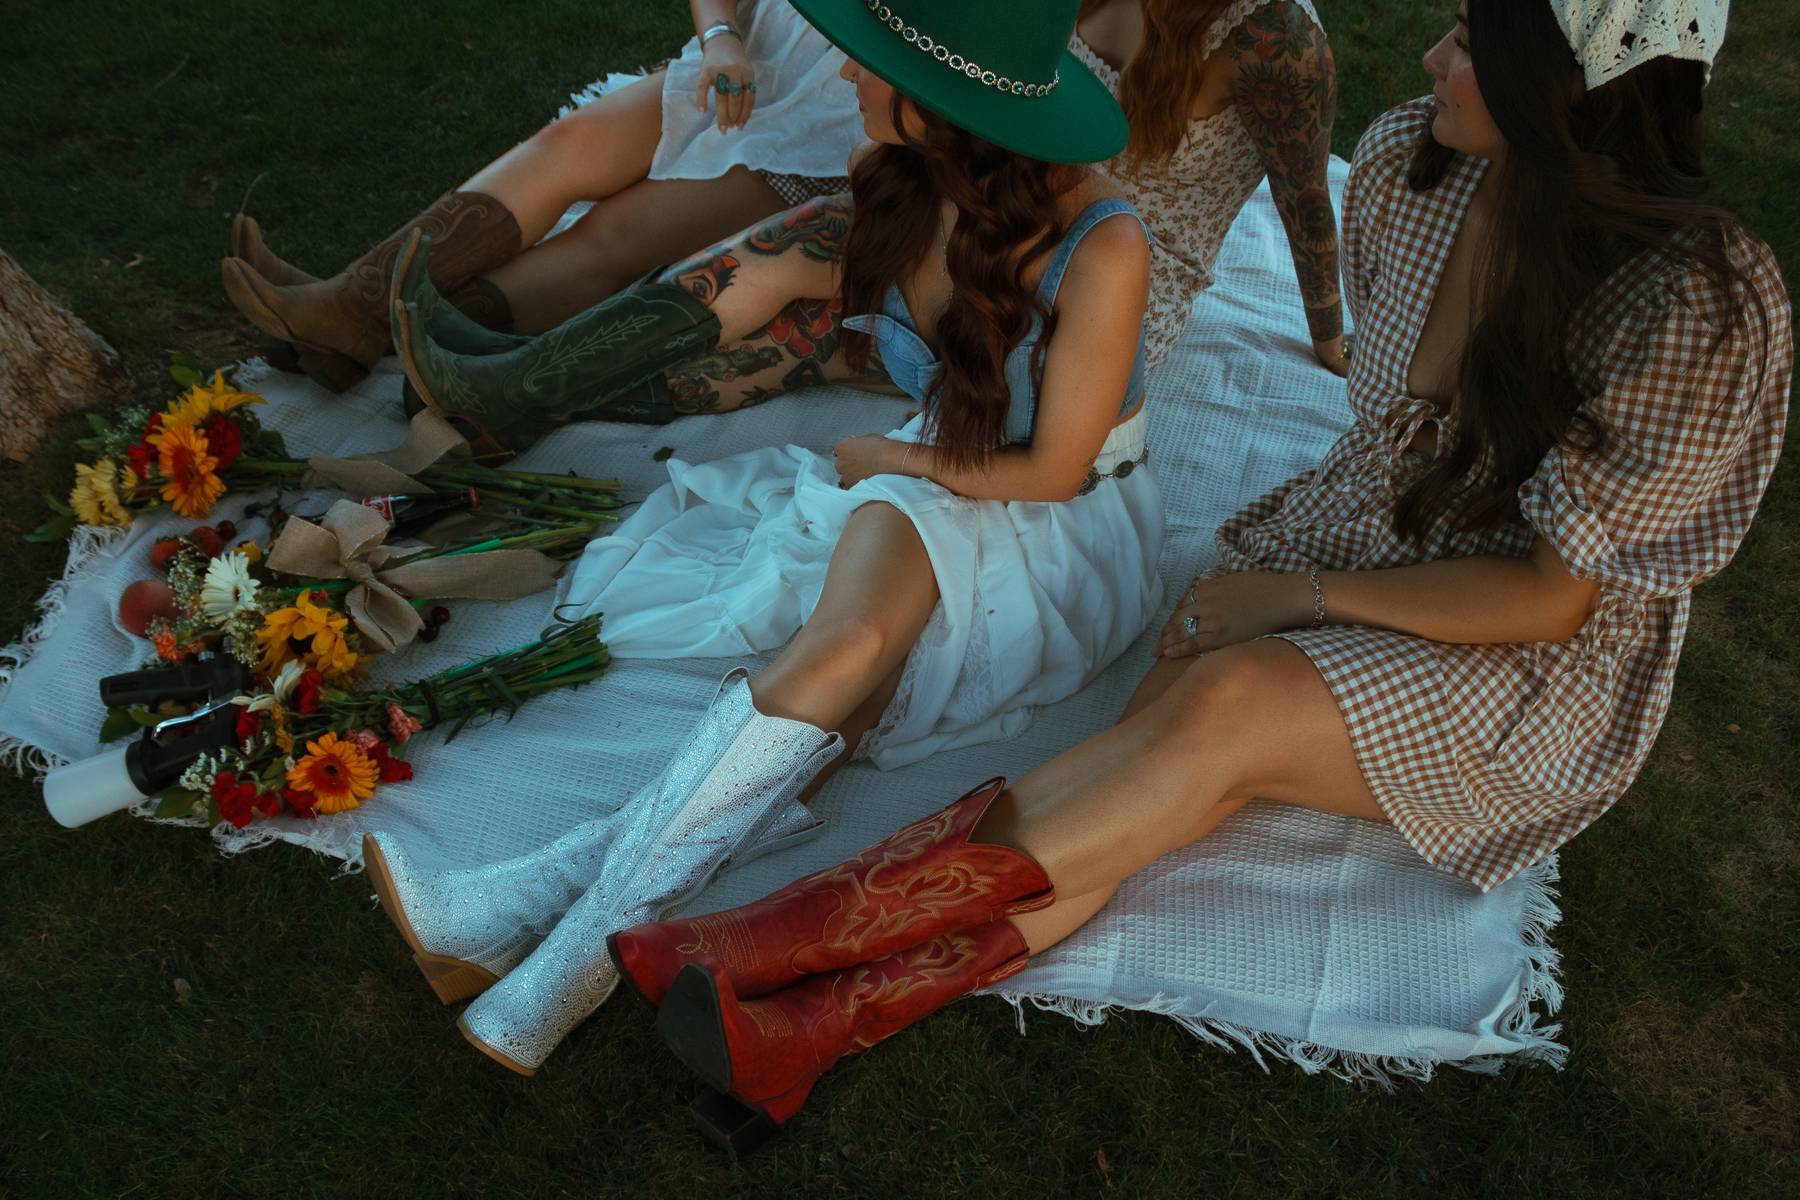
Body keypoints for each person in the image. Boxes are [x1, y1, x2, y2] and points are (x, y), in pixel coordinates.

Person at [607, 0, 1791, 1153]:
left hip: (1523, 651)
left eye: (1472, 43)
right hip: (1367, 533)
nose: (1430, 57)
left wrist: (1297, 598)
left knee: (1217, 715)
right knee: (1147, 769)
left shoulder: (1697, 303)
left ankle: (766, 946)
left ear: (1570, 86)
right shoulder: (1405, 166)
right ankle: (804, 1034)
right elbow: (1392, 434)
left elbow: (1551, 596)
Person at [363, 0, 1166, 1079]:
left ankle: (564, 934)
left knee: (845, 652)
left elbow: (1056, 470)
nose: (843, 78)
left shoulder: (1101, 247)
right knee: (845, 665)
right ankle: (553, 918)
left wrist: (896, 459)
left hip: (1053, 520)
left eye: (870, 67)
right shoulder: (903, 175)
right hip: (941, 472)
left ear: (941, 113)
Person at [219, 0, 862, 394]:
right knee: (566, 142)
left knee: (614, 237)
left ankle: (366, 334)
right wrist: (721, 34)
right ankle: (352, 302)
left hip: (839, 116)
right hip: (754, 50)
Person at [1072, 0, 1346, 373]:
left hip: (1122, 274)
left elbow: (1306, 202)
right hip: (1028, 201)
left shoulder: (1279, 37)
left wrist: (1332, 343)